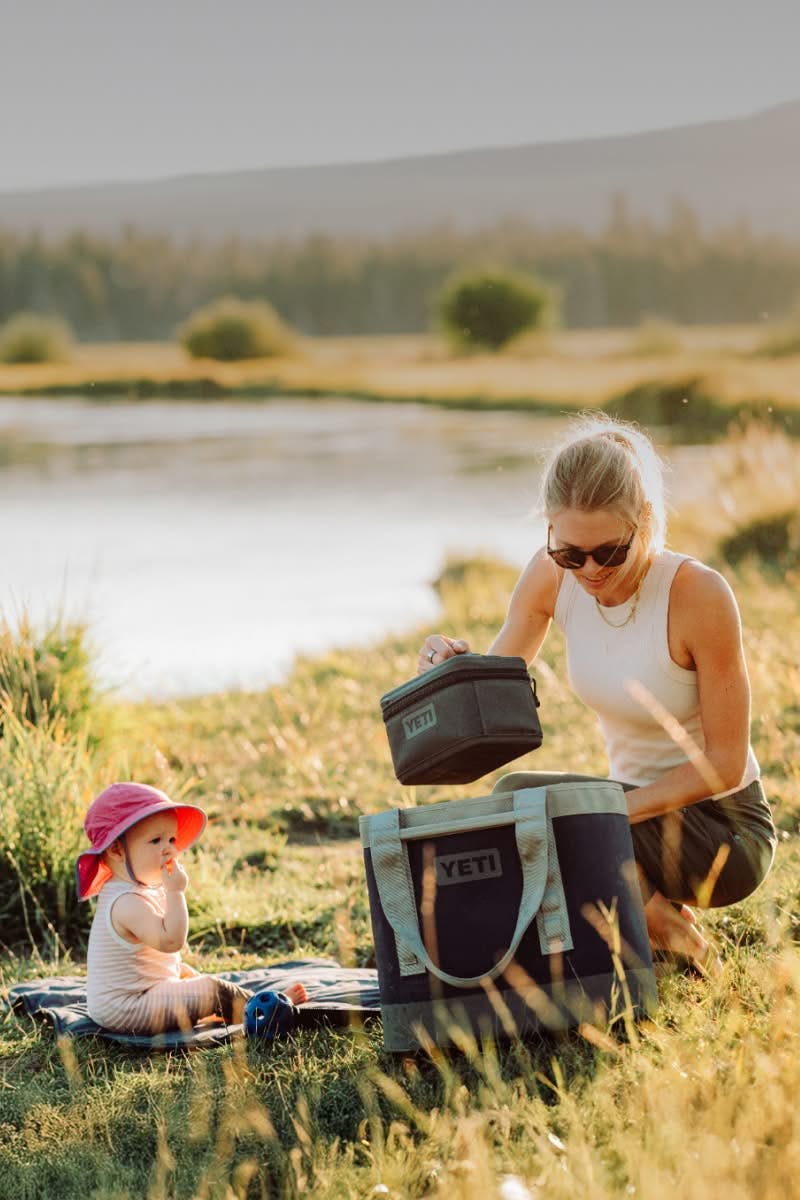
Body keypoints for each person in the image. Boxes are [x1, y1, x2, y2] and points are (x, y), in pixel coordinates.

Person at [418, 414, 776, 972]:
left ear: (647, 521)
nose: (588, 570)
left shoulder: (698, 594)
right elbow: (493, 695)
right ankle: (643, 925)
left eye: (608, 552)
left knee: (565, 820)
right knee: (514, 794)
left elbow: (726, 765)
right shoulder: (549, 576)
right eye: (569, 553)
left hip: (724, 828)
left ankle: (689, 950)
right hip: (630, 817)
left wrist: (606, 813)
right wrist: (446, 670)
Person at [77, 782, 306, 1034]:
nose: (170, 849)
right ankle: (267, 1011)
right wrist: (175, 892)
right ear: (117, 850)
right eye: (156, 840)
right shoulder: (126, 903)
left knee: (187, 976)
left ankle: (236, 1008)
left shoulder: (132, 890)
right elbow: (171, 941)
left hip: (135, 995)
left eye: (172, 839)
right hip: (126, 1007)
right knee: (208, 988)